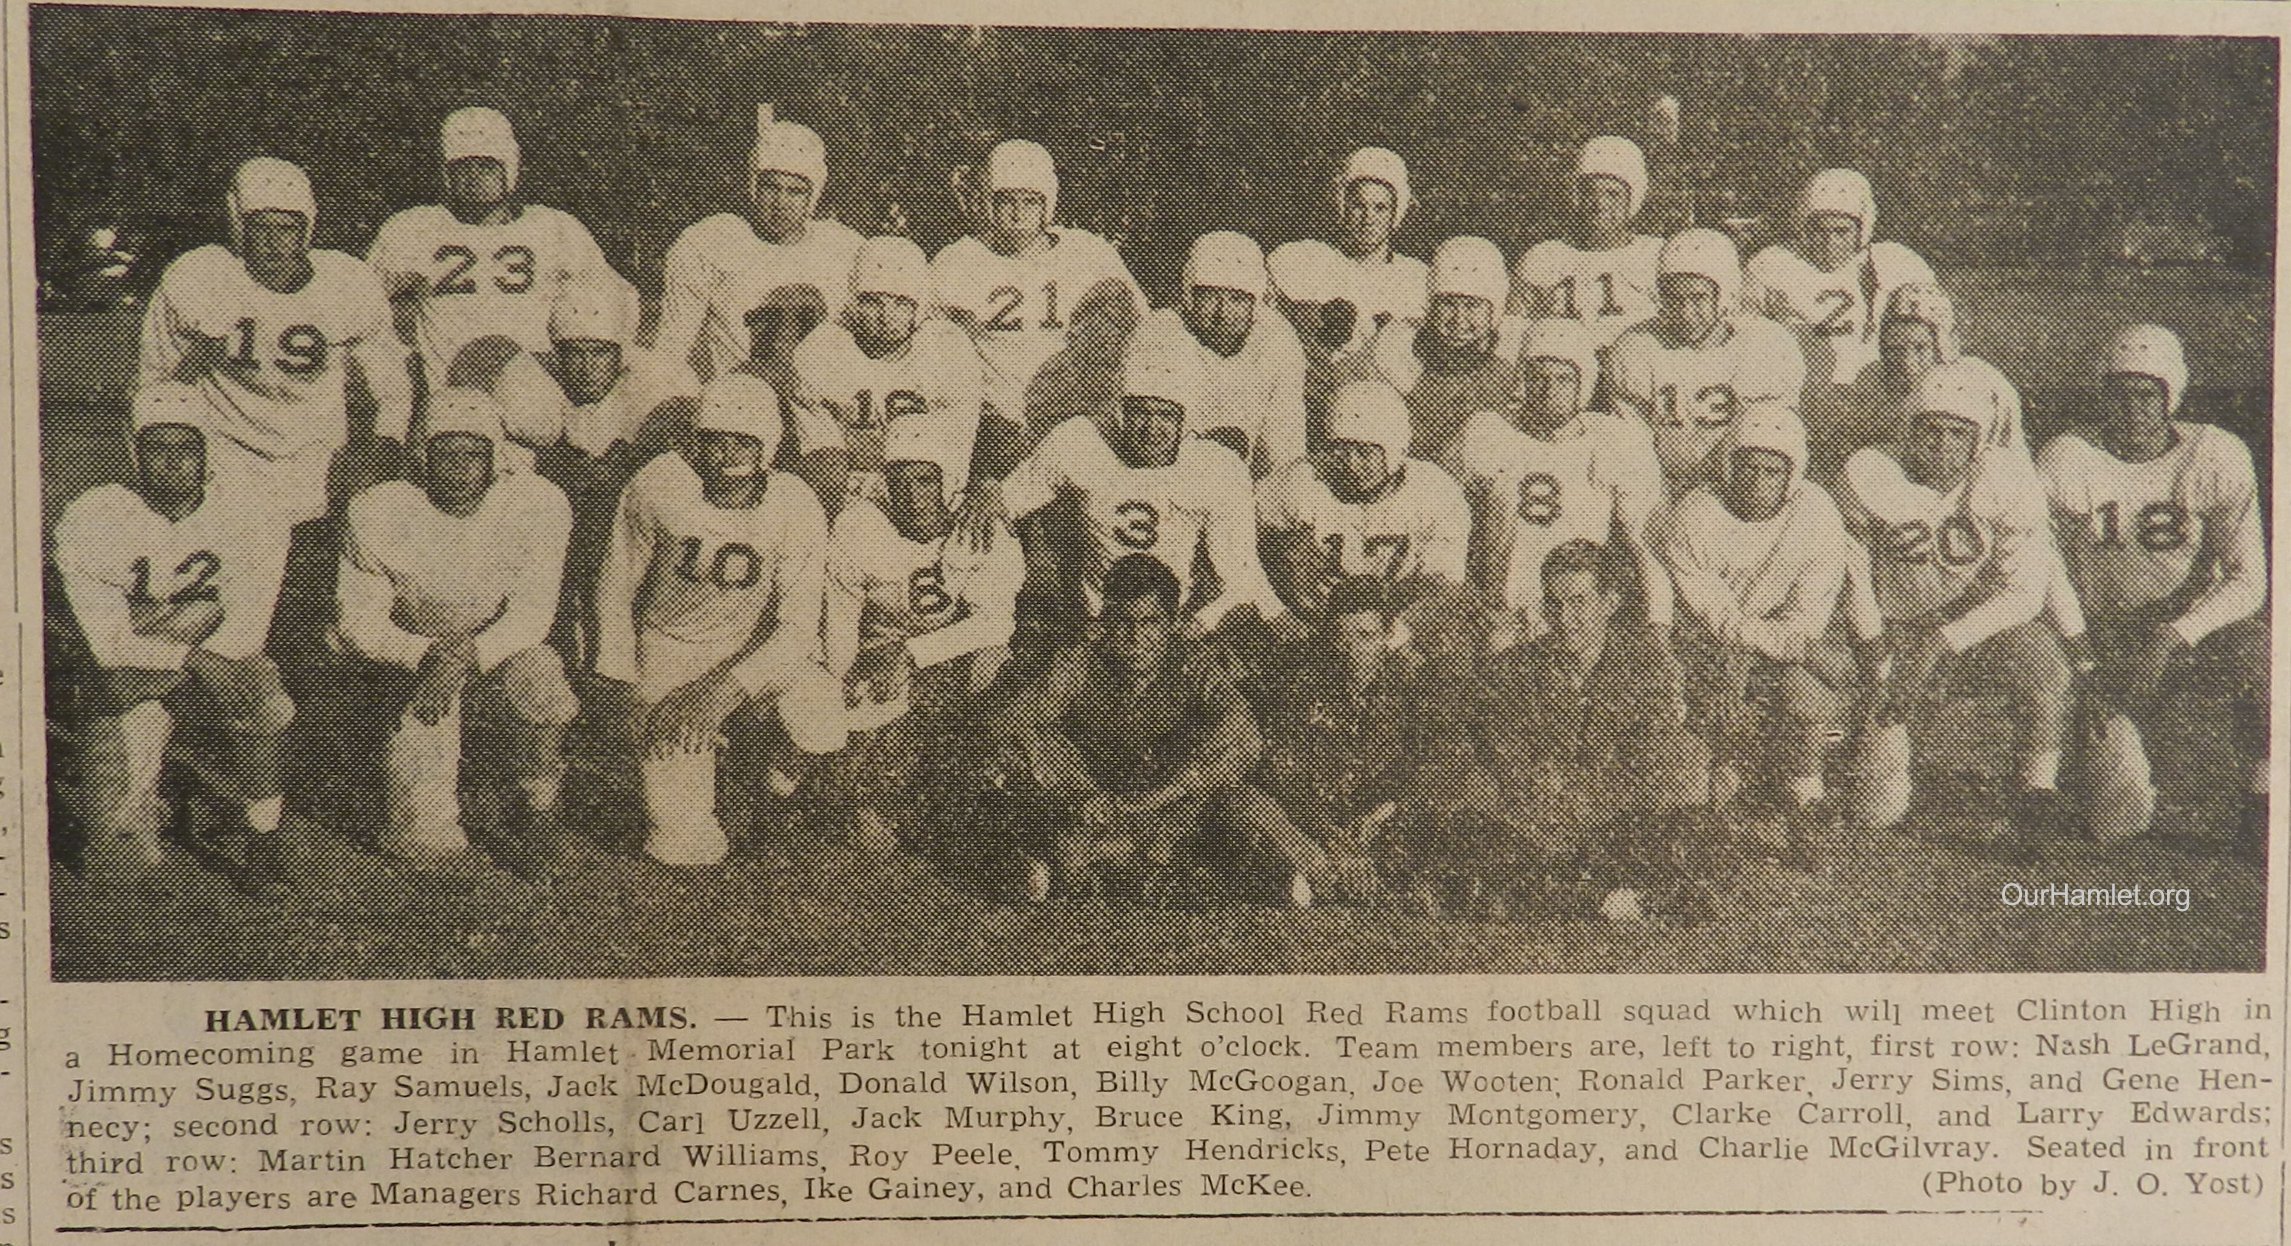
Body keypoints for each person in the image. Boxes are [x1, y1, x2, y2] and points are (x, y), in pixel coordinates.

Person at [49, 384, 296, 887]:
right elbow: (108, 645)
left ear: (207, 453)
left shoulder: (254, 514)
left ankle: (262, 834)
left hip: (200, 659)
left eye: (186, 447)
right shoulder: (93, 516)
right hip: (130, 667)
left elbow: (247, 632)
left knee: (260, 690)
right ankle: (145, 797)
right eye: (156, 448)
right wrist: (192, 656)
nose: (172, 462)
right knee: (116, 867)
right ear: (133, 453)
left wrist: (181, 651)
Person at [592, 374, 843, 868]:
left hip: (753, 645)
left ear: (768, 443)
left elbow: (796, 628)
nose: (729, 454)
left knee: (821, 712)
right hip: (670, 643)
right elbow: (616, 583)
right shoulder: (659, 483)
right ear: (696, 441)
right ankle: (709, 777)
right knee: (684, 848)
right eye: (716, 440)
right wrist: (625, 681)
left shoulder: (795, 504)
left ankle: (769, 793)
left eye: (743, 441)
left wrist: (718, 694)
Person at [986, 554, 1330, 906]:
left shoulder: (1194, 666)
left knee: (1250, 808)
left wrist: (1178, 785)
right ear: (1105, 619)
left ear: (1172, 623)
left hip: (1180, 807)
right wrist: (1079, 791)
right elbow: (1012, 724)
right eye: (1123, 621)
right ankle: (1159, 880)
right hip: (1103, 811)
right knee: (1061, 860)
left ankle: (1308, 877)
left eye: (1150, 622)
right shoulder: (1079, 664)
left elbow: (1243, 735)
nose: (1136, 637)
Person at [2038, 324, 2268, 850]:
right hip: (2098, 632)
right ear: (2101, 396)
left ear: (2172, 395)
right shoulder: (2066, 457)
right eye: (2118, 394)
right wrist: (2082, 654)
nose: (2132, 409)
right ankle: (2065, 777)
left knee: (2264, 652)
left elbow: (2248, 579)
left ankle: (2264, 796)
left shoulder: (2215, 454)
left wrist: (2174, 635)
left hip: (2188, 631)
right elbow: (2042, 568)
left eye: (2146, 394)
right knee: (2114, 822)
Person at [333, 390, 577, 874]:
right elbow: (357, 621)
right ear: (423, 455)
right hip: (413, 654)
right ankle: (414, 801)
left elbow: (533, 614)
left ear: (496, 457)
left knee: (542, 681)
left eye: (474, 453)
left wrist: (463, 656)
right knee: (425, 845)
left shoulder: (538, 504)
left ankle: (537, 811)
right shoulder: (379, 511)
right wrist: (423, 656)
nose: (460, 467)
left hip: (496, 645)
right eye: (446, 453)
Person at [1834, 359, 2077, 836]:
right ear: (1910, 431)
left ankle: (2034, 791)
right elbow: (1854, 578)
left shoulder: (2006, 479)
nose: (1942, 447)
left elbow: (2024, 592)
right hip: (1892, 627)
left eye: (1957, 434)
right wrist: (1879, 654)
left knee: (2043, 663)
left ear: (1978, 441)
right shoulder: (1869, 472)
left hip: (1968, 628)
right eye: (1931, 431)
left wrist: (1946, 640)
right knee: (1875, 813)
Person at [1656, 402, 1882, 864]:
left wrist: (1792, 648)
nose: (1758, 482)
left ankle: (1805, 799)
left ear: (1792, 473)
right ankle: (1732, 782)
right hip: (1702, 644)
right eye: (1747, 467)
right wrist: (1792, 647)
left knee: (1806, 691)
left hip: (1776, 643)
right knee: (1700, 779)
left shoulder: (1817, 513)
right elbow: (1717, 618)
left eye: (1772, 471)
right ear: (1727, 464)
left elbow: (1809, 618)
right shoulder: (1694, 516)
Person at [954, 334, 1291, 639]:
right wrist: (989, 487)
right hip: (1097, 626)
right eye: (1139, 412)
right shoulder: (1080, 441)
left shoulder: (1215, 468)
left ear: (1184, 420)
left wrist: (1203, 621)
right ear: (1120, 411)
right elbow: (1006, 503)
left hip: (1173, 627)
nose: (1151, 427)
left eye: (1165, 415)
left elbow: (1240, 569)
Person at [138, 157, 412, 526]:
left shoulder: (347, 282)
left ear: (307, 227)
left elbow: (391, 386)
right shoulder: (200, 277)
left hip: (319, 466)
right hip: (225, 467)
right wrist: (194, 361)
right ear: (238, 226)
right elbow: (154, 390)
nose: (273, 242)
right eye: (260, 228)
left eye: (287, 228)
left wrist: (383, 449)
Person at [1459, 540, 1717, 915]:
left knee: (1684, 755)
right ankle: (1603, 899)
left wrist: (1589, 790)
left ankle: (1625, 887)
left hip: (1618, 816)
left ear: (1609, 603)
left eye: (1578, 602)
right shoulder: (1511, 670)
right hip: (1542, 815)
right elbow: (1506, 756)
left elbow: (1652, 748)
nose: (1565, 618)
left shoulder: (1647, 667)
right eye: (1554, 603)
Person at [818, 416, 1023, 854]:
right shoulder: (859, 526)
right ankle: (859, 785)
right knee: (842, 719)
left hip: (949, 654)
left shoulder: (982, 529)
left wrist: (914, 654)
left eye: (926, 480)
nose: (913, 495)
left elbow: (996, 623)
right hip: (876, 652)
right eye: (901, 480)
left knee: (994, 659)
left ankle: (975, 771)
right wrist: (840, 683)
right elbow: (838, 622)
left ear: (948, 479)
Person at [486, 275, 697, 670]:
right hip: (563, 517)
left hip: (635, 521)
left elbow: (673, 473)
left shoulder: (658, 383)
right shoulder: (528, 381)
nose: (585, 367)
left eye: (598, 353)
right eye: (574, 353)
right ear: (557, 352)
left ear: (621, 352)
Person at [1443, 318, 1671, 639]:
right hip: (1504, 618)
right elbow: (1441, 515)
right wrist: (1468, 603)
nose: (1550, 390)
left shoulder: (1615, 440)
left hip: (1577, 618)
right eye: (1538, 378)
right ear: (1522, 378)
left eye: (1563, 379)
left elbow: (1644, 542)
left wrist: (1657, 620)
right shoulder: (1489, 432)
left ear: (1584, 381)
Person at [1250, 576, 1465, 905]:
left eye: (1365, 636)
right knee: (1249, 806)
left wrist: (1387, 812)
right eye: (1342, 637)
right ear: (1330, 640)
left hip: (1384, 823)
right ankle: (1316, 880)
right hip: (1316, 826)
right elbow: (1284, 775)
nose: (1353, 651)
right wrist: (1325, 833)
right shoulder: (1302, 690)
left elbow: (1441, 764)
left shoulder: (1414, 691)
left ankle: (1368, 885)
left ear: (1385, 636)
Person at [366, 107, 615, 387]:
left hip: (537, 395)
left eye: (486, 166)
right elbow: (361, 307)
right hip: (449, 401)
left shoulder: (554, 229)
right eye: (463, 167)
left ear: (509, 167)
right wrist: (398, 361)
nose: (474, 177)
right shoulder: (417, 228)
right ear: (447, 172)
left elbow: (610, 306)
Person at [930, 139, 1142, 465]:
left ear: (1048, 203)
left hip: (1074, 420)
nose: (1017, 214)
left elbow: (1141, 327)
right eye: (1006, 201)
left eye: (1030, 202)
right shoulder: (958, 261)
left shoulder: (1087, 254)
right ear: (988, 201)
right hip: (994, 428)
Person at [650, 119, 864, 386]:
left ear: (813, 196)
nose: (781, 203)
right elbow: (672, 346)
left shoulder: (843, 249)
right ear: (754, 186)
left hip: (822, 403)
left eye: (795, 191)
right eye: (771, 187)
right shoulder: (712, 242)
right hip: (739, 408)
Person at [788, 235, 986, 515]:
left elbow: (949, 463)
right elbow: (824, 464)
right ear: (854, 302)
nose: (885, 316)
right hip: (850, 501)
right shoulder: (822, 349)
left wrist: (868, 452)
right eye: (872, 302)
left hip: (930, 500)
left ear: (920, 305)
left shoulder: (947, 349)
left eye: (900, 303)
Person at [1607, 228, 1806, 496]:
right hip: (1660, 487)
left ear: (1724, 294)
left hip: (1741, 494)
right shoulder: (1638, 347)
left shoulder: (1766, 347)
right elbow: (1631, 447)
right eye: (1675, 299)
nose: (1686, 313)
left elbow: (1774, 442)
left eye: (1698, 298)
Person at [1257, 379, 1469, 619]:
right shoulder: (1296, 482)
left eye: (1365, 452)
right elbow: (1243, 559)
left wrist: (1394, 628)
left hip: (1399, 628)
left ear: (1394, 450)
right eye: (1341, 450)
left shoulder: (1433, 492)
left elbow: (1441, 589)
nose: (1352, 465)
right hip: (1312, 625)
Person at [1806, 281, 2022, 484]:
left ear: (1943, 345)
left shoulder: (1982, 385)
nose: (1907, 364)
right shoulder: (1872, 382)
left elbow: (2007, 463)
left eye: (1920, 349)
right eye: (1895, 350)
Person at [1746, 168, 1939, 392]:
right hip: (1799, 391)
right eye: (1819, 231)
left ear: (1861, 230)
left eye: (1841, 231)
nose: (1830, 242)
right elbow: (1743, 339)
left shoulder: (1894, 263)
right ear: (1803, 227)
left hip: (1877, 391)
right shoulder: (1773, 265)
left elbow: (1936, 338)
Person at [1131, 232, 1307, 477]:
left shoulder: (1277, 339)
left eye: (1237, 299)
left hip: (1241, 491)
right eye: (1210, 296)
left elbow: (1283, 450)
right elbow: (1143, 445)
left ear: (1255, 302)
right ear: (1189, 297)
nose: (1222, 313)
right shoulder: (1158, 334)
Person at [1512, 136, 1667, 347]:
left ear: (1632, 199)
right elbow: (1513, 333)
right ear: (1576, 196)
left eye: (1613, 194)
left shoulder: (1656, 256)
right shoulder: (1543, 258)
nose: (1600, 204)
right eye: (1589, 192)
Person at [1384, 236, 1522, 461]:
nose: (1459, 319)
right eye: (1447, 303)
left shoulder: (1508, 375)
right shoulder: (1402, 362)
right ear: (1431, 306)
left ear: (1493, 310)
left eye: (1472, 305)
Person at [1321, 146, 1433, 355]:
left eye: (1380, 208)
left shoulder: (1418, 277)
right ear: (1343, 207)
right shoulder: (1315, 264)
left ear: (1395, 214)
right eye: (1358, 206)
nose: (1368, 218)